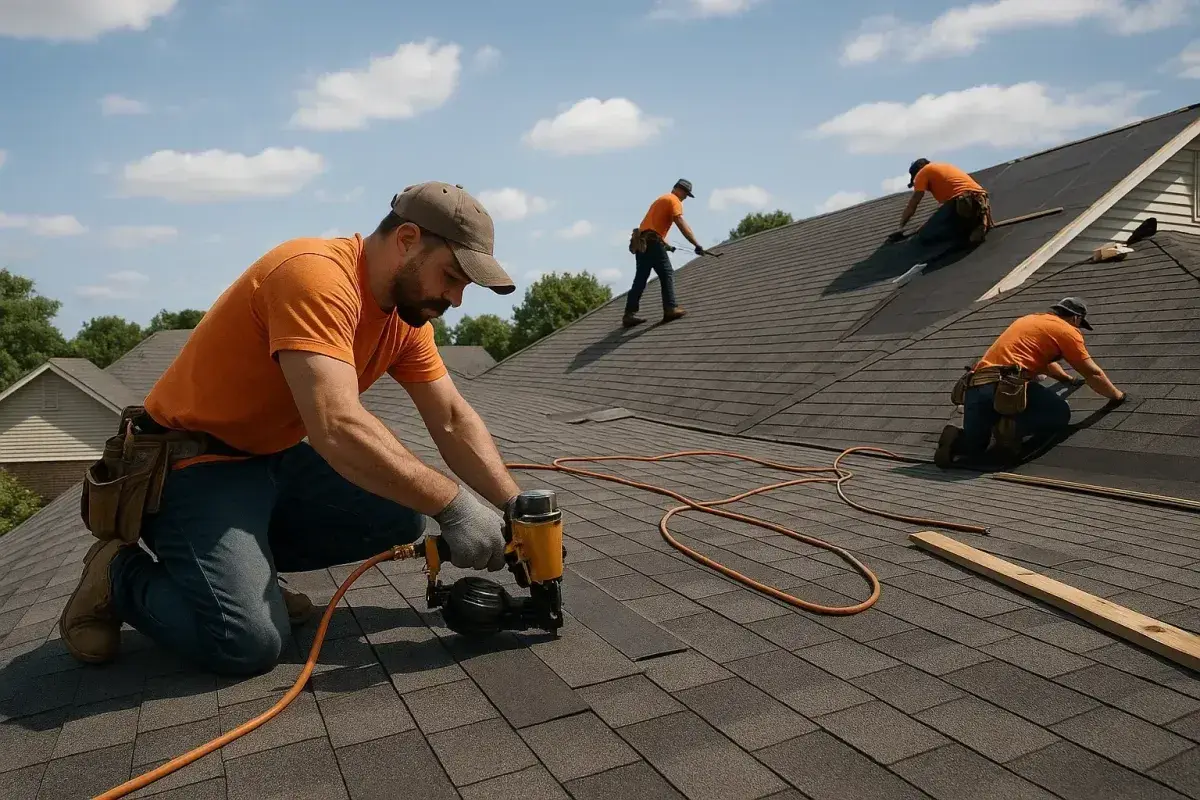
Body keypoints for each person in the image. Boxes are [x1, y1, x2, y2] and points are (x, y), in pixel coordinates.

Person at [60, 182, 528, 675]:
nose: (455, 299)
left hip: (266, 458)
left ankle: (245, 570)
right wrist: (454, 507)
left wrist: (517, 508)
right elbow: (337, 425)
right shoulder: (314, 276)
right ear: (407, 239)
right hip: (189, 464)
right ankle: (117, 573)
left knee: (400, 516)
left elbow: (452, 419)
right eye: (451, 277)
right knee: (246, 644)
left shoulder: (405, 321)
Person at [935, 297, 1126, 468]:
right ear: (1075, 318)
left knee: (975, 446)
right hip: (1006, 387)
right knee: (1059, 413)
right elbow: (1092, 373)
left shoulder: (1029, 320)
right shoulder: (1068, 331)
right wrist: (1118, 396)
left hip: (976, 385)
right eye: (1079, 324)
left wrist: (1066, 379)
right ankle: (1011, 429)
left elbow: (1046, 364)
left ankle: (957, 440)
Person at [623, 178, 706, 328]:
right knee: (667, 272)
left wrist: (665, 244)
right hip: (652, 242)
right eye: (686, 194)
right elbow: (681, 223)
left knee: (640, 279)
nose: (685, 197)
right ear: (679, 189)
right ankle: (670, 308)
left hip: (642, 242)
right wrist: (696, 244)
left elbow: (650, 227)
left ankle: (629, 314)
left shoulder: (661, 199)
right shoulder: (674, 200)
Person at [891, 158, 993, 248]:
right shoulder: (944, 166)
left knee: (925, 235)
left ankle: (960, 240)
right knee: (941, 221)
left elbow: (913, 204)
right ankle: (976, 226)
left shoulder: (922, 173)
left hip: (963, 200)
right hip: (981, 200)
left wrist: (900, 228)